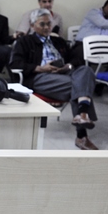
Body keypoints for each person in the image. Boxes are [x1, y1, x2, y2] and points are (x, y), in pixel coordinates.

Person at [10, 9, 99, 150]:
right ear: (32, 26)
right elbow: (15, 64)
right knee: (79, 86)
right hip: (40, 77)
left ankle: (82, 118)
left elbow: (75, 59)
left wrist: (68, 66)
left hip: (64, 74)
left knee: (86, 71)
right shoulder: (24, 42)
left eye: (49, 24)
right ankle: (82, 129)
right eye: (42, 24)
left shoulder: (58, 41)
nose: (46, 27)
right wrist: (41, 68)